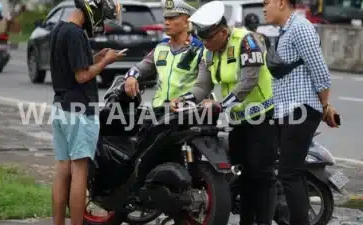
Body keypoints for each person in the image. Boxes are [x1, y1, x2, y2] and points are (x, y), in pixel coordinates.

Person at [171, 1, 277, 225]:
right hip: (238, 122)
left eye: (209, 39)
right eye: (203, 40)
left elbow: (249, 79)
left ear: (222, 32)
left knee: (262, 176)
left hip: (262, 119)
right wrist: (184, 99)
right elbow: (202, 86)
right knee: (243, 177)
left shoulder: (247, 41)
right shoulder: (209, 52)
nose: (205, 44)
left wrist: (221, 104)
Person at [263, 0, 339, 224]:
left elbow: (320, 70)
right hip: (287, 110)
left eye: (267, 2)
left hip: (301, 109)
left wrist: (325, 106)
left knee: (289, 173)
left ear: (281, 2)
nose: (264, 7)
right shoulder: (285, 31)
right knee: (289, 173)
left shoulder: (300, 28)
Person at [49, 0, 124, 225]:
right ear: (93, 9)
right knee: (79, 171)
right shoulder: (76, 34)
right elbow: (82, 76)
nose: (102, 22)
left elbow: (75, 66)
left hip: (61, 107)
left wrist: (97, 58)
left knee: (63, 169)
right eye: (103, 15)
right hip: (80, 110)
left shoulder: (59, 29)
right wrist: (107, 62)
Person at [123, 0, 204, 109]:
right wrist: (131, 76)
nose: (167, 22)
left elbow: (204, 85)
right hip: (159, 112)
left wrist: (185, 100)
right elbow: (141, 67)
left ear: (186, 22)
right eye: (166, 18)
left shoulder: (199, 49)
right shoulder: (160, 48)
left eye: (172, 18)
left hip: (188, 112)